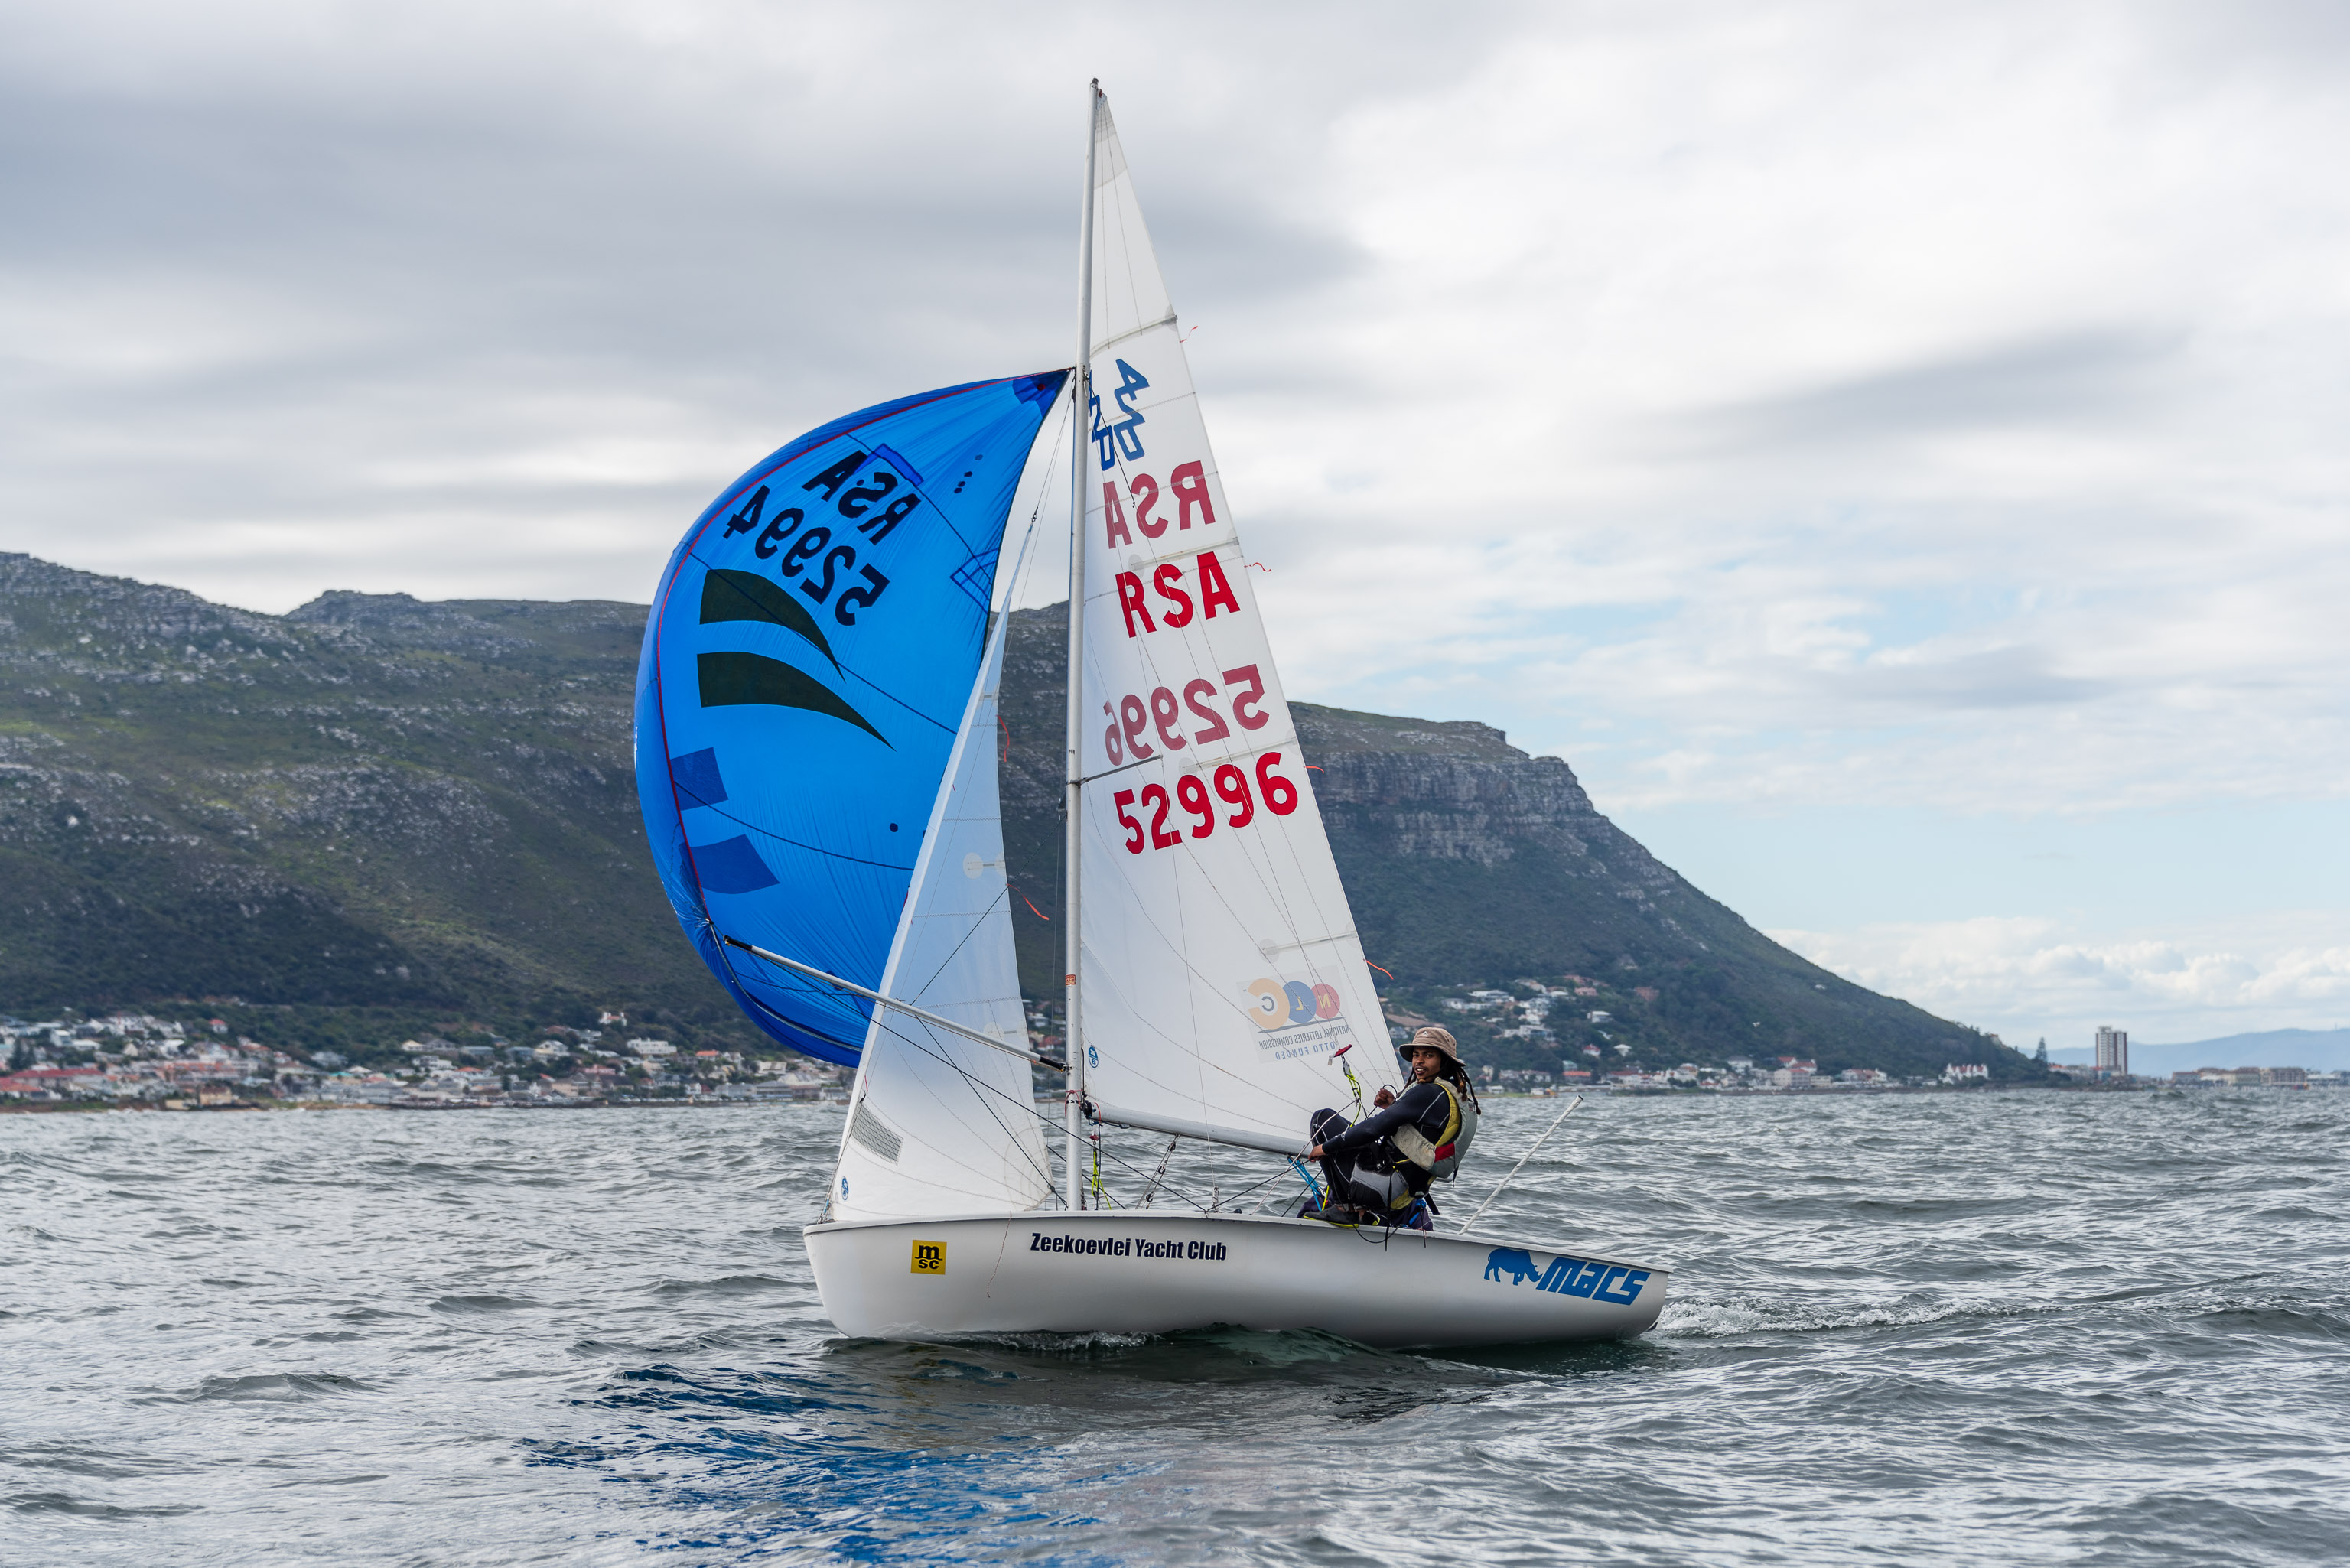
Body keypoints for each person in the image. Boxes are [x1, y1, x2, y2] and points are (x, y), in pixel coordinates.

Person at [1303, 1026, 1481, 1228]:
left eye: (1429, 1055)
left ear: (1445, 1061)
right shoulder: (1452, 1096)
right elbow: (1421, 1131)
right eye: (1416, 1055)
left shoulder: (1429, 1093)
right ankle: (1362, 1213)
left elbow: (1372, 1129)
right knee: (1352, 1137)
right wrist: (1393, 1107)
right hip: (1403, 1193)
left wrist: (1325, 1148)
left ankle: (1345, 1210)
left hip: (1382, 1188)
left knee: (1322, 1120)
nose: (1419, 1061)